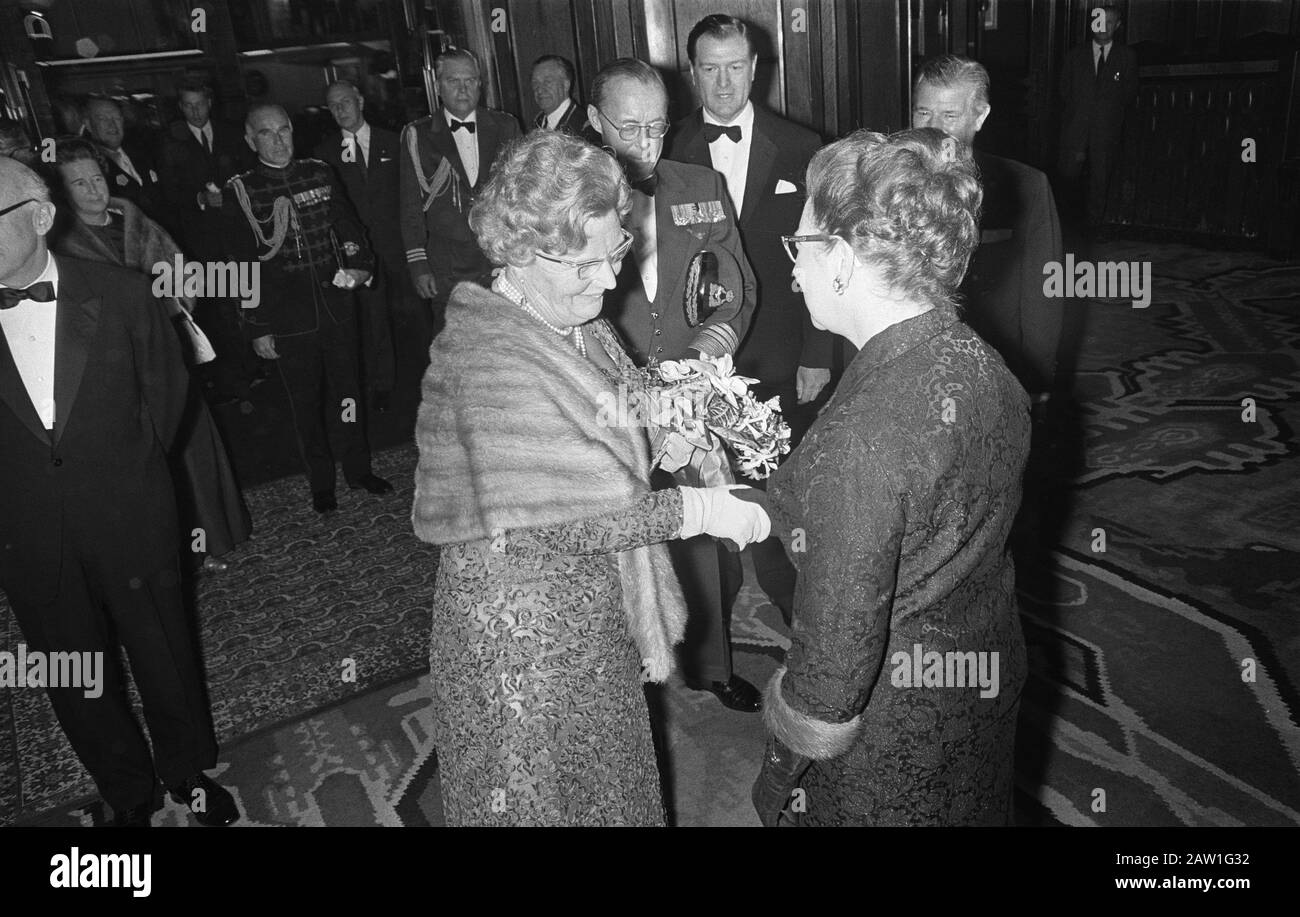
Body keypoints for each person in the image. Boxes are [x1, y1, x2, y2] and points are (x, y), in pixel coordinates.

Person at [412, 130, 770, 825]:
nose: (609, 281)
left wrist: (674, 432)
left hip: (594, 606)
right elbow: (579, 516)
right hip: (522, 637)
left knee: (611, 783)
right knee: (545, 799)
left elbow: (619, 394)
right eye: (585, 264)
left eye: (617, 253)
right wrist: (701, 509)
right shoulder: (485, 360)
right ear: (518, 250)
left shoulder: (573, 318)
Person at [751, 128, 1030, 826]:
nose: (794, 270)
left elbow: (830, 681)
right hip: (977, 683)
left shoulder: (865, 434)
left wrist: (778, 774)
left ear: (841, 260)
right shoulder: (985, 365)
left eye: (800, 247)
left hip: (889, 739)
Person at [0, 156, 239, 827]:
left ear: (40, 217)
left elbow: (166, 398)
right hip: (27, 533)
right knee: (75, 672)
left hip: (129, 511)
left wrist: (123, 475)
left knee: (163, 649)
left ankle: (187, 771)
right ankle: (127, 790)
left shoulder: (124, 293)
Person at [590, 57, 762, 712]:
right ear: (594, 121)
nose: (646, 145)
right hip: (611, 402)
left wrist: (704, 353)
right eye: (629, 127)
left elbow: (736, 285)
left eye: (658, 127)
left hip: (690, 394)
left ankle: (711, 662)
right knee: (622, 536)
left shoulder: (698, 183)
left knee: (703, 533)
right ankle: (631, 666)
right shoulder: (566, 200)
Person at [668, 13, 834, 626]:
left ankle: (797, 605)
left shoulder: (802, 146)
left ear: (755, 68)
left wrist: (818, 351)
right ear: (692, 73)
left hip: (783, 345)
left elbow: (821, 253)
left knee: (788, 477)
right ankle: (713, 610)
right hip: (696, 346)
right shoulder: (668, 148)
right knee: (708, 474)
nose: (723, 83)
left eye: (734, 67)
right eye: (710, 69)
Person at [47, 137, 251, 574]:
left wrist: (182, 294)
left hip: (164, 355)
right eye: (79, 183)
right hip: (113, 373)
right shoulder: (62, 246)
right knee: (143, 464)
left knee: (189, 449)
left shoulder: (139, 224)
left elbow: (183, 273)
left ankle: (207, 540)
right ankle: (168, 553)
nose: (93, 190)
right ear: (64, 192)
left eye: (97, 178)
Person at [220, 103, 393, 512]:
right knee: (305, 405)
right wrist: (256, 326)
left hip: (335, 307)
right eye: (267, 133)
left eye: (284, 130)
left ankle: (357, 468)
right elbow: (238, 263)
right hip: (286, 317)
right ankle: (321, 483)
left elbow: (349, 227)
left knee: (349, 393)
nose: (279, 141)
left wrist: (360, 267)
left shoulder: (318, 172)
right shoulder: (241, 191)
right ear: (250, 140)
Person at [912, 54, 1064, 408]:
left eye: (949, 116)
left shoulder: (1027, 187)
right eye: (923, 112)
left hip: (995, 362)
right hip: (913, 363)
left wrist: (1037, 375)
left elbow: (1044, 290)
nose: (933, 128)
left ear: (980, 116)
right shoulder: (884, 181)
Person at [398, 47, 521, 329]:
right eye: (454, 81)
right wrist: (419, 265)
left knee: (507, 352)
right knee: (455, 357)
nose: (463, 88)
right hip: (447, 269)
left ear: (480, 84)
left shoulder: (506, 126)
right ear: (438, 86)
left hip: (500, 263)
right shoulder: (417, 135)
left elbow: (523, 196)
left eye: (470, 80)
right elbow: (410, 207)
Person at [315, 79, 415, 414]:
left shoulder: (395, 141)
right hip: (358, 255)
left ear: (360, 101)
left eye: (345, 101)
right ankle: (383, 387)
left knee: (413, 317)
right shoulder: (324, 155)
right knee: (373, 324)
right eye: (333, 105)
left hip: (400, 248)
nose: (340, 109)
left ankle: (426, 381)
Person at [157, 78, 258, 407]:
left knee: (246, 302)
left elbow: (250, 177)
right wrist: (199, 198)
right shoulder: (170, 141)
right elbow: (168, 193)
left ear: (210, 102)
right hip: (201, 243)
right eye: (187, 105)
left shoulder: (232, 134)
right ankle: (232, 379)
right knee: (218, 312)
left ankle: (255, 367)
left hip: (237, 236)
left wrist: (227, 198)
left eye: (199, 103)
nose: (194, 111)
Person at [1058, 1, 1138, 233]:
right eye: (1099, 21)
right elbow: (1065, 90)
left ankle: (1095, 226)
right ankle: (1068, 227)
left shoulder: (1126, 57)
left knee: (1100, 179)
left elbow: (1129, 92)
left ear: (1118, 25)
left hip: (1106, 130)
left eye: (1109, 22)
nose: (1103, 27)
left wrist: (1107, 115)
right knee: (1069, 178)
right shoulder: (1075, 56)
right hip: (1076, 129)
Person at [83, 96, 163, 220]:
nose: (112, 124)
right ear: (88, 124)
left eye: (116, 118)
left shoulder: (143, 150)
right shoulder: (88, 165)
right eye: (103, 119)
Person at [529, 55, 591, 137]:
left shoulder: (584, 127)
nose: (539, 90)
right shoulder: (537, 124)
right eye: (535, 83)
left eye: (547, 82)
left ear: (566, 85)